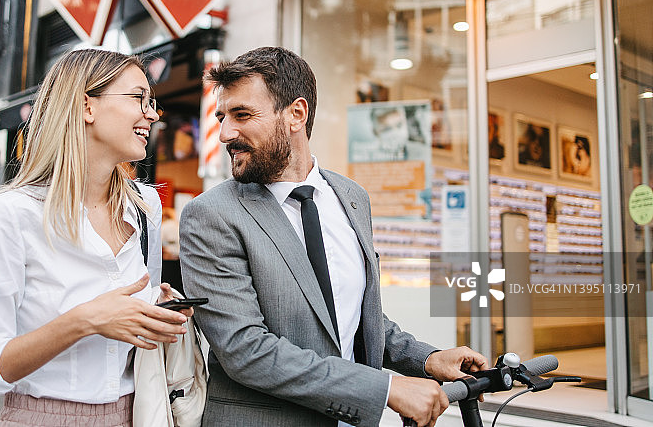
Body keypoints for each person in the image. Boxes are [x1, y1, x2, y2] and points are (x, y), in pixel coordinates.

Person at [179, 47, 487, 427]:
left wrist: (426, 359)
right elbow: (246, 350)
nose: (226, 133)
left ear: (296, 114)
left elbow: (349, 314)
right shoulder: (210, 215)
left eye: (242, 115)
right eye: (222, 117)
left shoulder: (352, 196)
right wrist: (385, 389)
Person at [0, 48, 191, 426]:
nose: (152, 114)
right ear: (87, 106)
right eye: (138, 98)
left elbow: (133, 316)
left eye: (151, 102)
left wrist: (158, 310)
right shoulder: (12, 214)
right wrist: (84, 321)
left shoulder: (144, 206)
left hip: (137, 413)